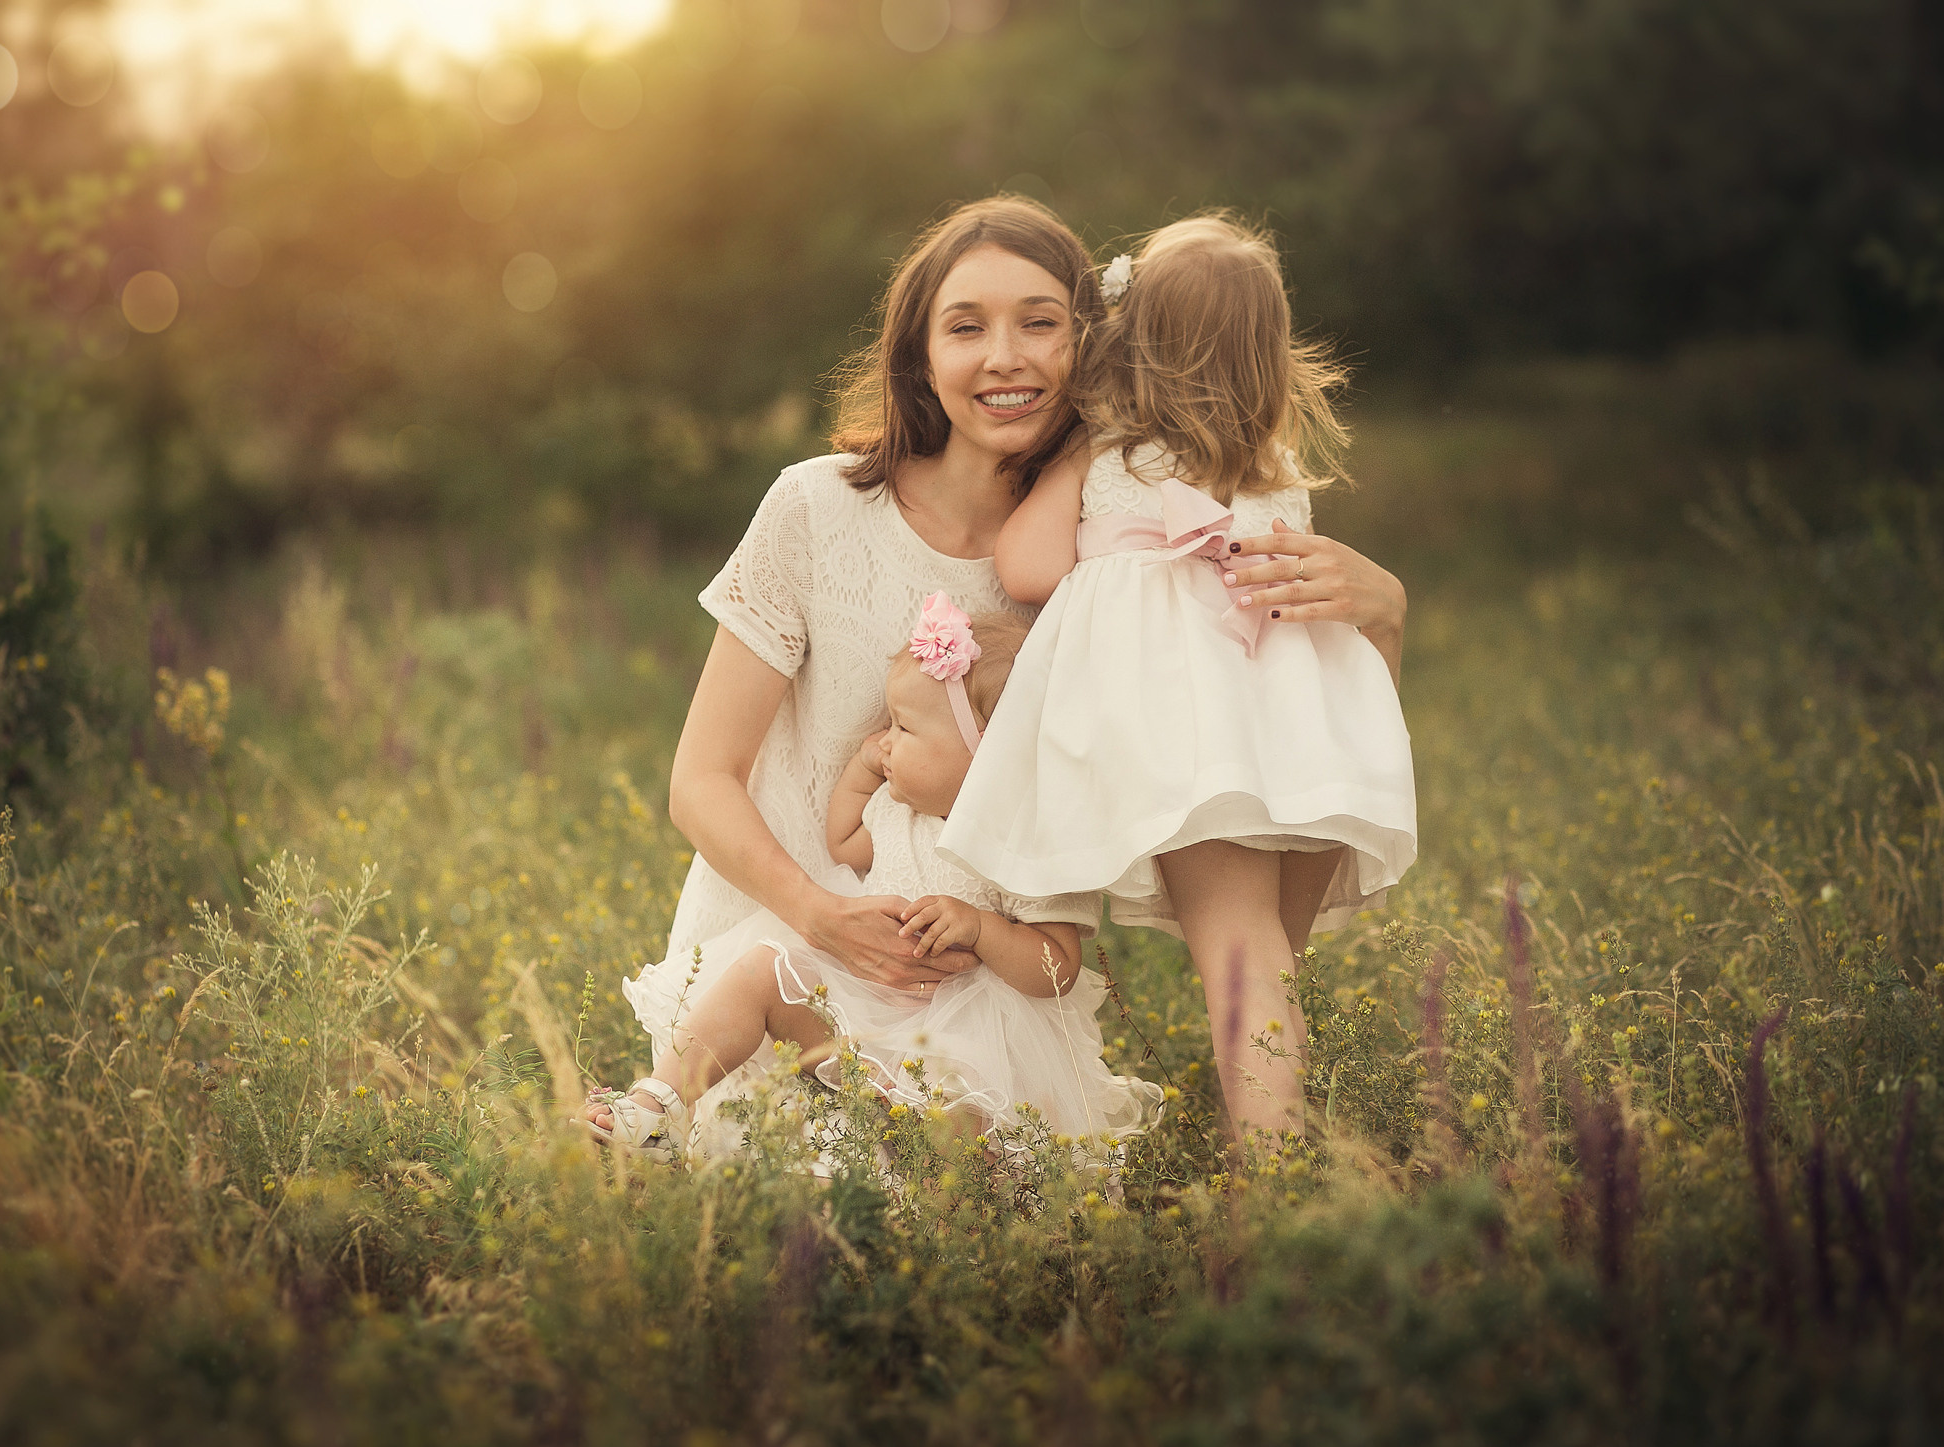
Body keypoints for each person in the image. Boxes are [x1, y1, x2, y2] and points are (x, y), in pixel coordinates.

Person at [605, 195, 1408, 1152]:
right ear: (921, 354)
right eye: (965, 327)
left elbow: (1253, 816)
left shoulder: (1113, 572)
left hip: (985, 990)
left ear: (1099, 347)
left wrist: (1385, 610)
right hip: (783, 964)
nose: (1006, 357)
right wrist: (823, 915)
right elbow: (699, 783)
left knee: (960, 1195)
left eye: (1040, 323)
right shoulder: (814, 506)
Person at [938, 213, 1419, 1147]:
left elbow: (1029, 568)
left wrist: (1073, 461)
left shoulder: (1116, 461)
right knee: (1269, 952)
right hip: (1306, 741)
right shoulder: (1278, 477)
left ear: (1132, 340)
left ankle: (1268, 1169)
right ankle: (1274, 1127)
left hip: (1204, 751)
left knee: (1240, 954)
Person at [592, 594, 1161, 1159]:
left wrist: (983, 929)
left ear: (987, 757)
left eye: (904, 729)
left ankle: (946, 1193)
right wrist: (866, 772)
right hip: (867, 1011)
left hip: (972, 1044)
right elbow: (843, 841)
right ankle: (657, 1105)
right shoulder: (898, 812)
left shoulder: (1025, 843)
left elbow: (1057, 967)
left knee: (968, 1139)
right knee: (764, 969)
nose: (883, 740)